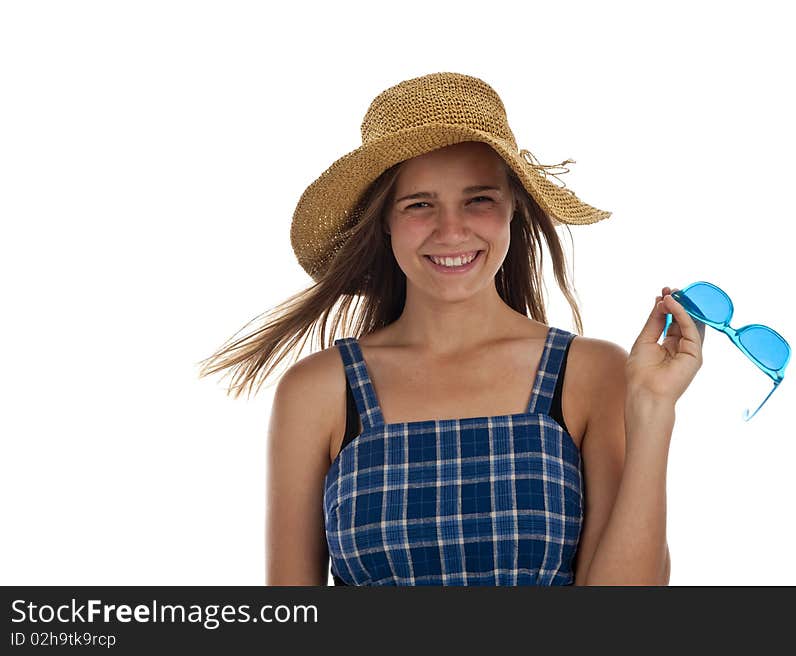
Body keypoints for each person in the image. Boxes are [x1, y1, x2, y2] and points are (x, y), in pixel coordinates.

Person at [197, 72, 705, 586]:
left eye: (478, 199)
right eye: (420, 204)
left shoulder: (590, 374)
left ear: (514, 209)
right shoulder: (318, 391)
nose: (452, 230)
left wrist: (654, 410)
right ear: (386, 221)